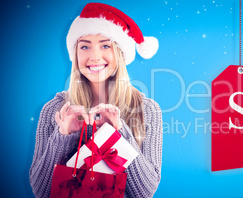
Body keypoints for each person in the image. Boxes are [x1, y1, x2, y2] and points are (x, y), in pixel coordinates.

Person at [29, 3, 162, 198]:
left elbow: (144, 193)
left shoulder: (147, 109)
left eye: (105, 45)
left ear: (120, 53)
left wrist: (118, 135)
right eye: (84, 46)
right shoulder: (55, 110)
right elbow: (41, 192)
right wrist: (64, 136)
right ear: (75, 53)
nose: (94, 56)